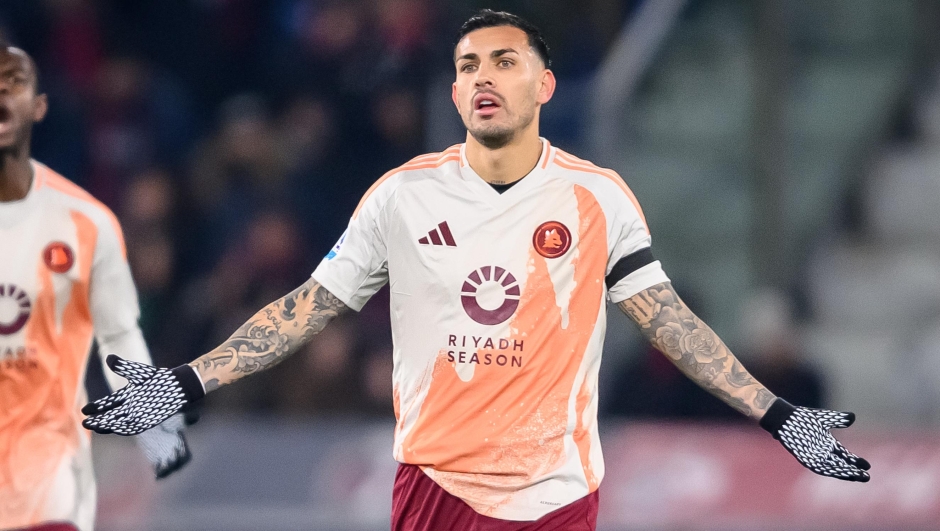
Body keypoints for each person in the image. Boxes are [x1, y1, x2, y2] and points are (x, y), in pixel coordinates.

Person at [82, 10, 870, 531]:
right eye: (469, 65)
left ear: (545, 86)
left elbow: (670, 320)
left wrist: (775, 412)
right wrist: (187, 381)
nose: (484, 77)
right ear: (454, 89)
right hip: (435, 489)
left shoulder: (596, 198)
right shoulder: (402, 197)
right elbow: (305, 308)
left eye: (505, 61)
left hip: (554, 493)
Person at [0, 44, 192, 531]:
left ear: (38, 108)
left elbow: (118, 334)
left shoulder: (85, 223)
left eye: (14, 83)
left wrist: (158, 433)